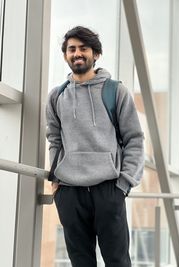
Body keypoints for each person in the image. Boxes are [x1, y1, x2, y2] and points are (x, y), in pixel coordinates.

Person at [46, 26, 144, 267]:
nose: (77, 53)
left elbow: (134, 139)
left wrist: (125, 182)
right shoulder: (56, 96)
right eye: (72, 49)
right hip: (70, 192)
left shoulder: (116, 91)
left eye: (83, 48)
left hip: (108, 190)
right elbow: (54, 139)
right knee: (80, 262)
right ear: (66, 55)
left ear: (96, 54)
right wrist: (56, 178)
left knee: (118, 261)